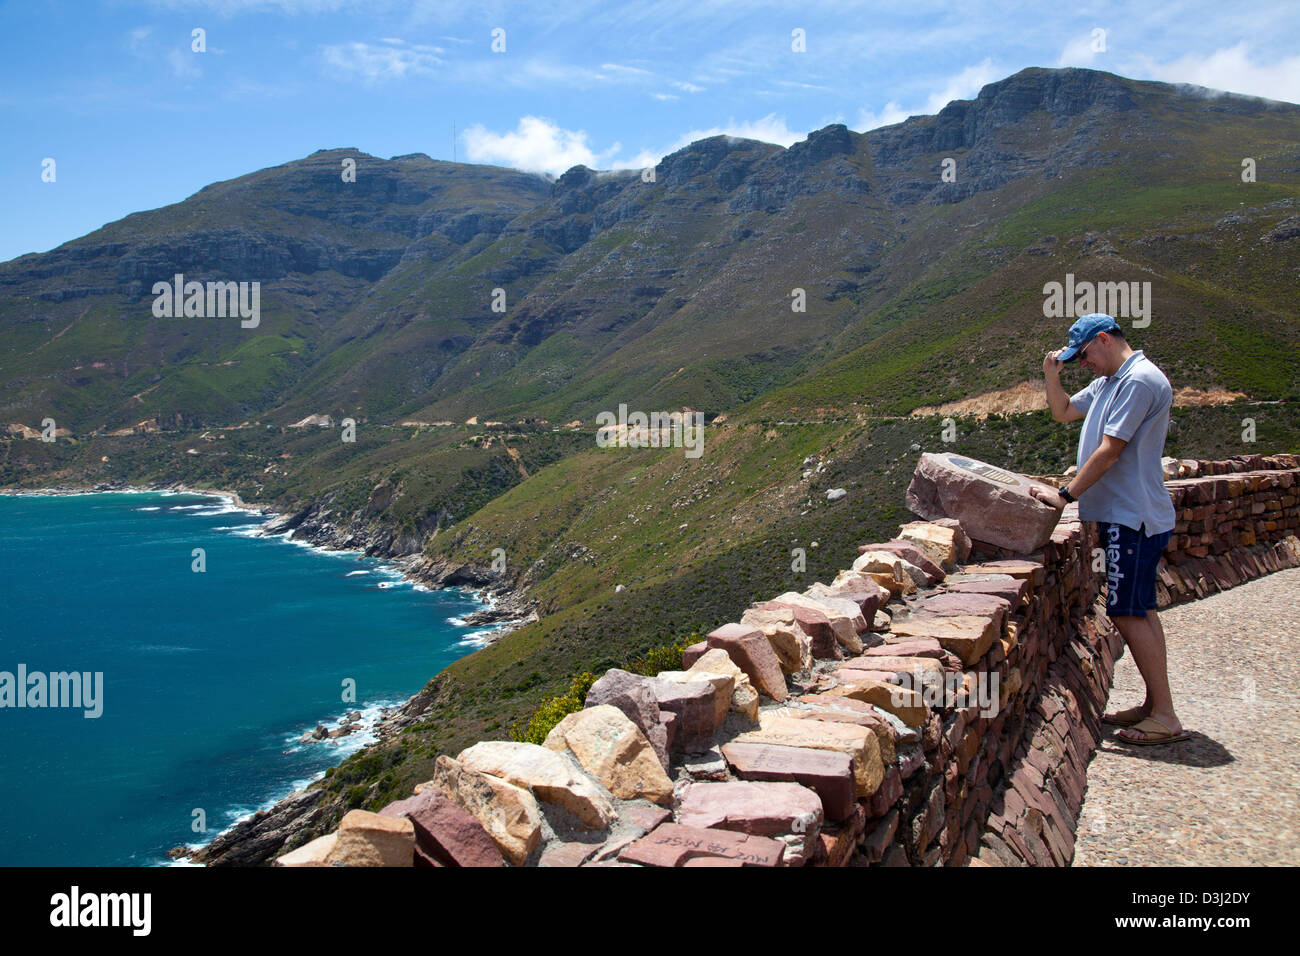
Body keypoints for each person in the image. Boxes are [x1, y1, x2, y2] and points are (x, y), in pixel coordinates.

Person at [1029, 313, 1190, 746]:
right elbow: (1063, 411)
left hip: (1132, 515)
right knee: (1140, 608)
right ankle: (1156, 705)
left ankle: (1166, 717)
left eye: (1084, 356)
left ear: (1103, 340)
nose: (1084, 365)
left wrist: (1064, 496)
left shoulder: (1138, 380)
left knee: (1126, 610)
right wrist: (1051, 375)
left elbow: (1110, 452)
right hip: (1125, 514)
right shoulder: (1109, 382)